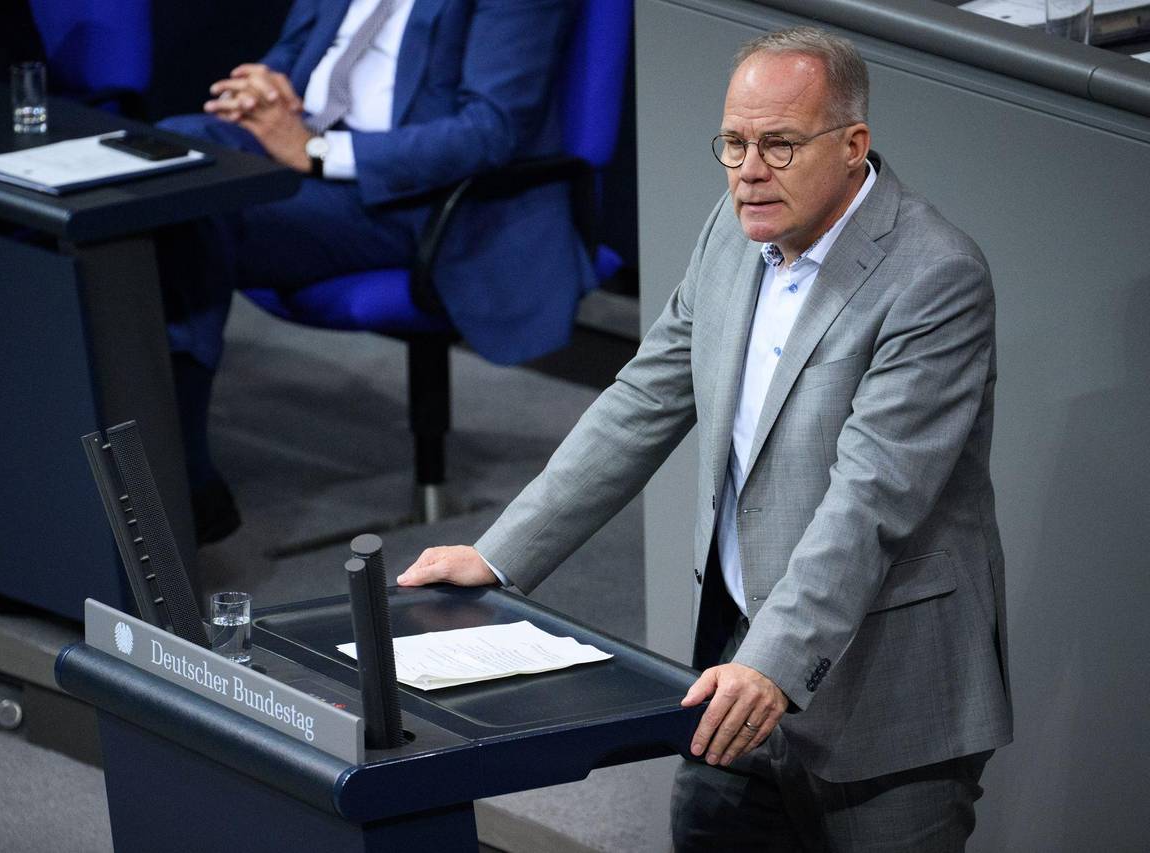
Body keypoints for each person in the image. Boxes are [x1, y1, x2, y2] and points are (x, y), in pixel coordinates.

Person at [398, 26, 1012, 851]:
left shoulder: (933, 276)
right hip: (735, 664)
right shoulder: (733, 231)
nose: (749, 170)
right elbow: (642, 400)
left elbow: (870, 499)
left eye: (780, 144)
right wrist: (500, 554)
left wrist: (772, 663)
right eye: (734, 143)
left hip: (885, 689)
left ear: (852, 144)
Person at [155, 0, 594, 542]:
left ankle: (178, 471)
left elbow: (490, 130)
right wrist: (261, 89)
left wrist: (318, 151)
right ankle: (157, 457)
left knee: (189, 215)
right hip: (298, 151)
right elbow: (293, 52)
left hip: (403, 196)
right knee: (169, 155)